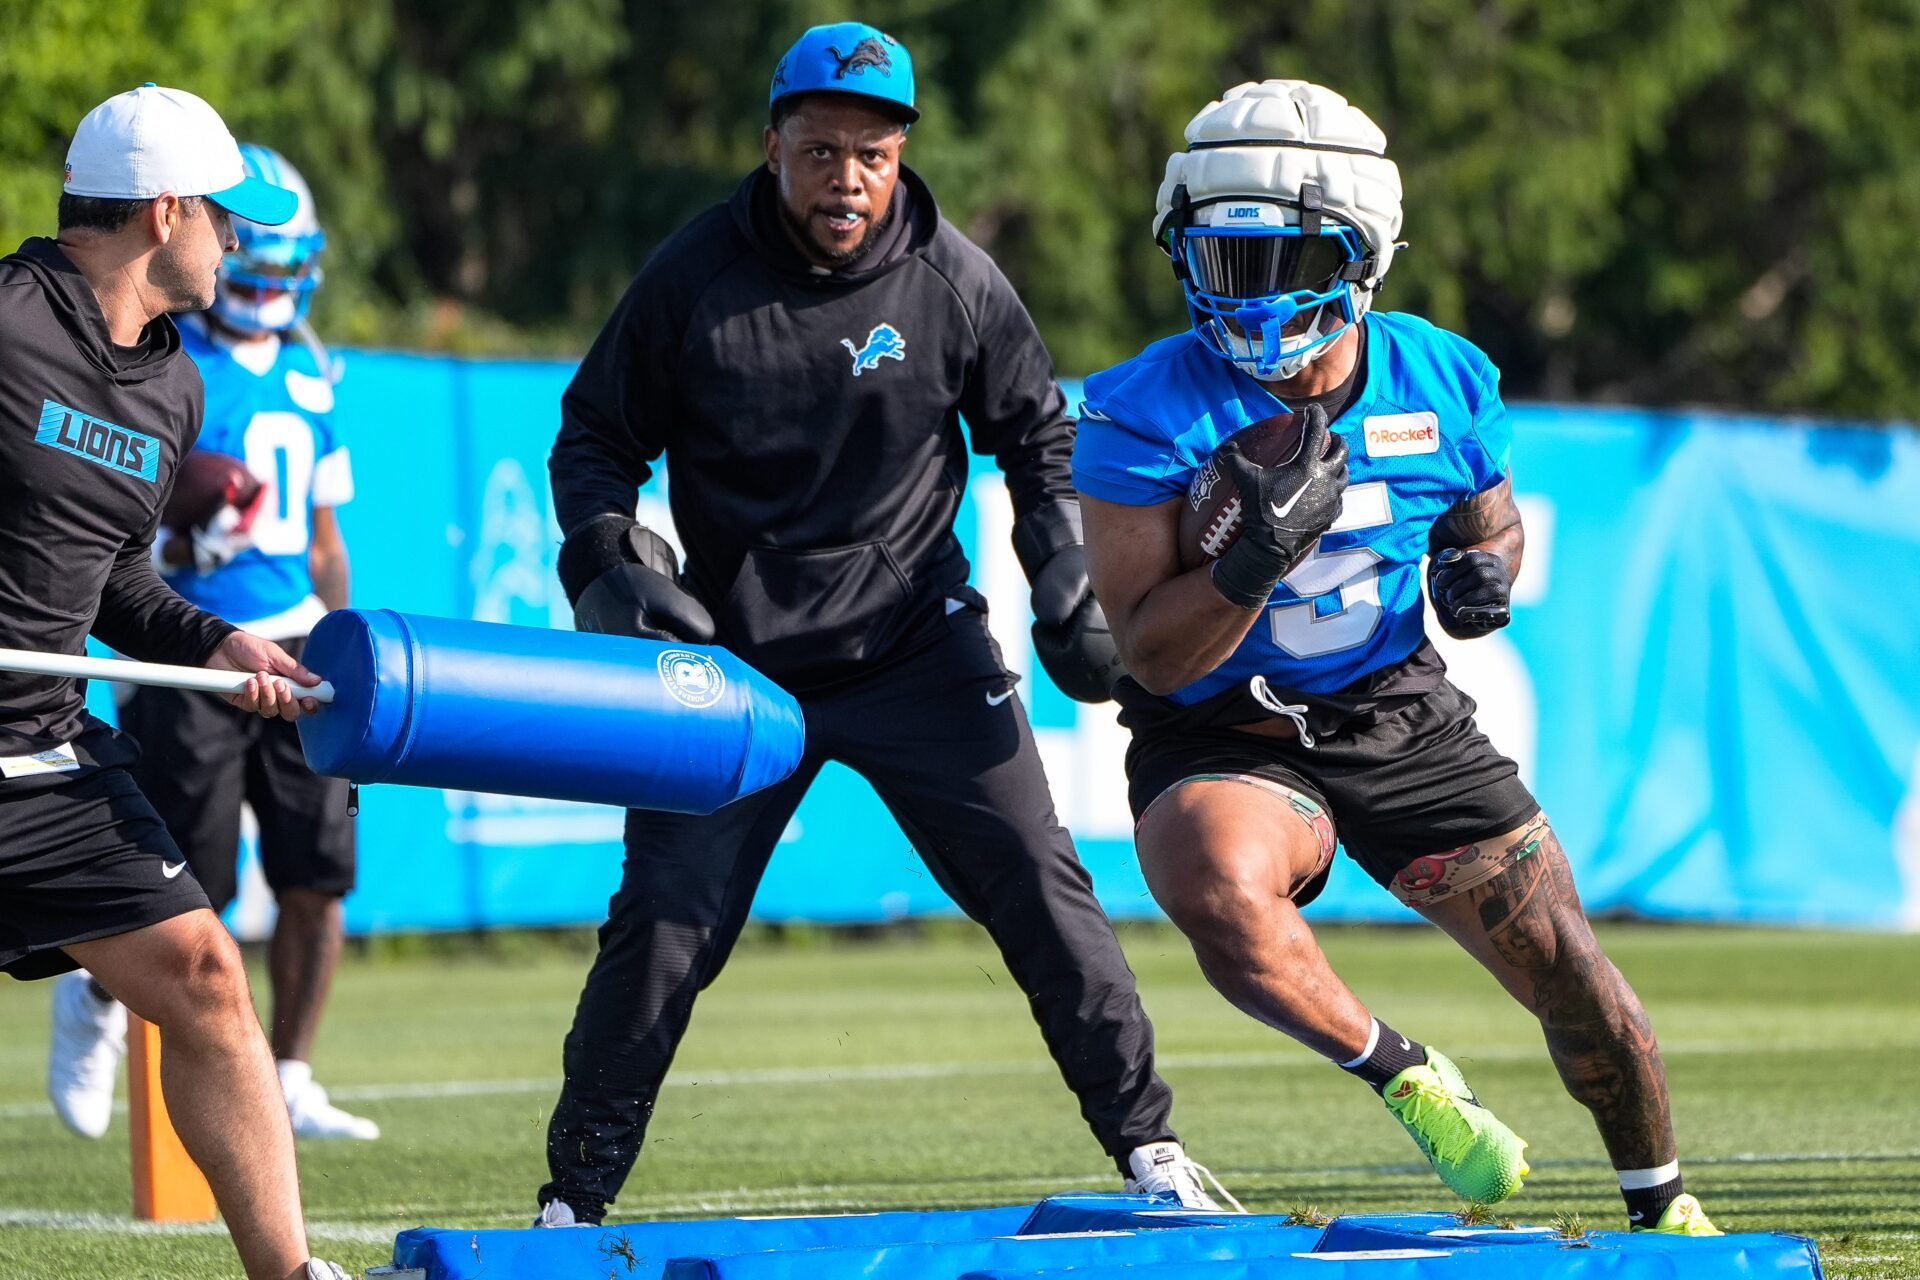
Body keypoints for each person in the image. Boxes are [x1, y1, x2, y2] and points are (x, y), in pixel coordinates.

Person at [539, 21, 1222, 1225]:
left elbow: (1040, 435)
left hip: (917, 645)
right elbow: (594, 436)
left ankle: (1153, 1154)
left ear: (900, 152)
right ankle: (572, 1202)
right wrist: (604, 559)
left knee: (1044, 889)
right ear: (772, 145)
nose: (845, 179)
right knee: (662, 928)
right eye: (818, 152)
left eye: (870, 153)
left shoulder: (957, 278)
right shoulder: (692, 278)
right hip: (736, 665)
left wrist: (1061, 567)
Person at [1073, 79, 1719, 1234]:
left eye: (1284, 262)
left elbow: (1490, 519)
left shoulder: (1443, 375)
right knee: (1213, 876)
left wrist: (1488, 571)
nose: (1252, 295)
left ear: (1361, 251)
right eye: (1225, 263)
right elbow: (1153, 654)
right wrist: (1248, 560)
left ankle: (1664, 1209)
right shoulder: (1138, 411)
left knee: (1579, 980)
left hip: (1396, 706)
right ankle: (1403, 1071)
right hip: (1227, 724)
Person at [0, 84, 348, 1280]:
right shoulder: (5, 320)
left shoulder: (172, 386)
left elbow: (119, 588)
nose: (238, 242)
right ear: (164, 212)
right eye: (225, 217)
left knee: (206, 974)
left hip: (44, 757)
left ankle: (288, 1273)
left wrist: (218, 646)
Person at [46, 143, 374, 1144]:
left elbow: (325, 541)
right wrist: (182, 527)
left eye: (280, 262)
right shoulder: (166, 361)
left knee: (318, 873)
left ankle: (293, 1072)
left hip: (293, 646)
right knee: (190, 870)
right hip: (186, 649)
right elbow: (119, 533)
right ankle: (97, 995)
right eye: (248, 253)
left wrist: (341, 638)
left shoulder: (318, 376)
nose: (259, 275)